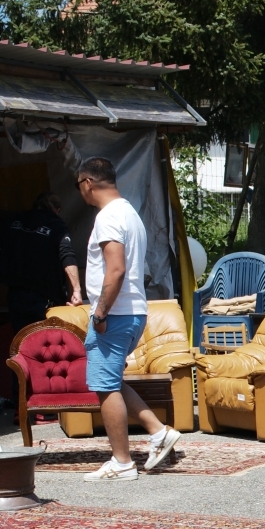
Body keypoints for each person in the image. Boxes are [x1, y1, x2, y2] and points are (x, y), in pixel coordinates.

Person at [75, 157, 178, 479]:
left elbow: (116, 269)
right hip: (132, 310)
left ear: (88, 182)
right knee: (112, 381)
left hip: (116, 313)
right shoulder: (129, 212)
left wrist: (101, 312)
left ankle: (122, 462)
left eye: (79, 186)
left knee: (104, 387)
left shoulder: (108, 217)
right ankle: (158, 432)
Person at [0, 192, 82, 392]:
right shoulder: (56, 225)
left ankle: (21, 404)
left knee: (18, 349)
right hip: (45, 298)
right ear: (57, 209)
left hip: (17, 295)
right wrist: (76, 290)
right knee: (47, 350)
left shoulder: (15, 221)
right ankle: (46, 402)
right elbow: (67, 255)